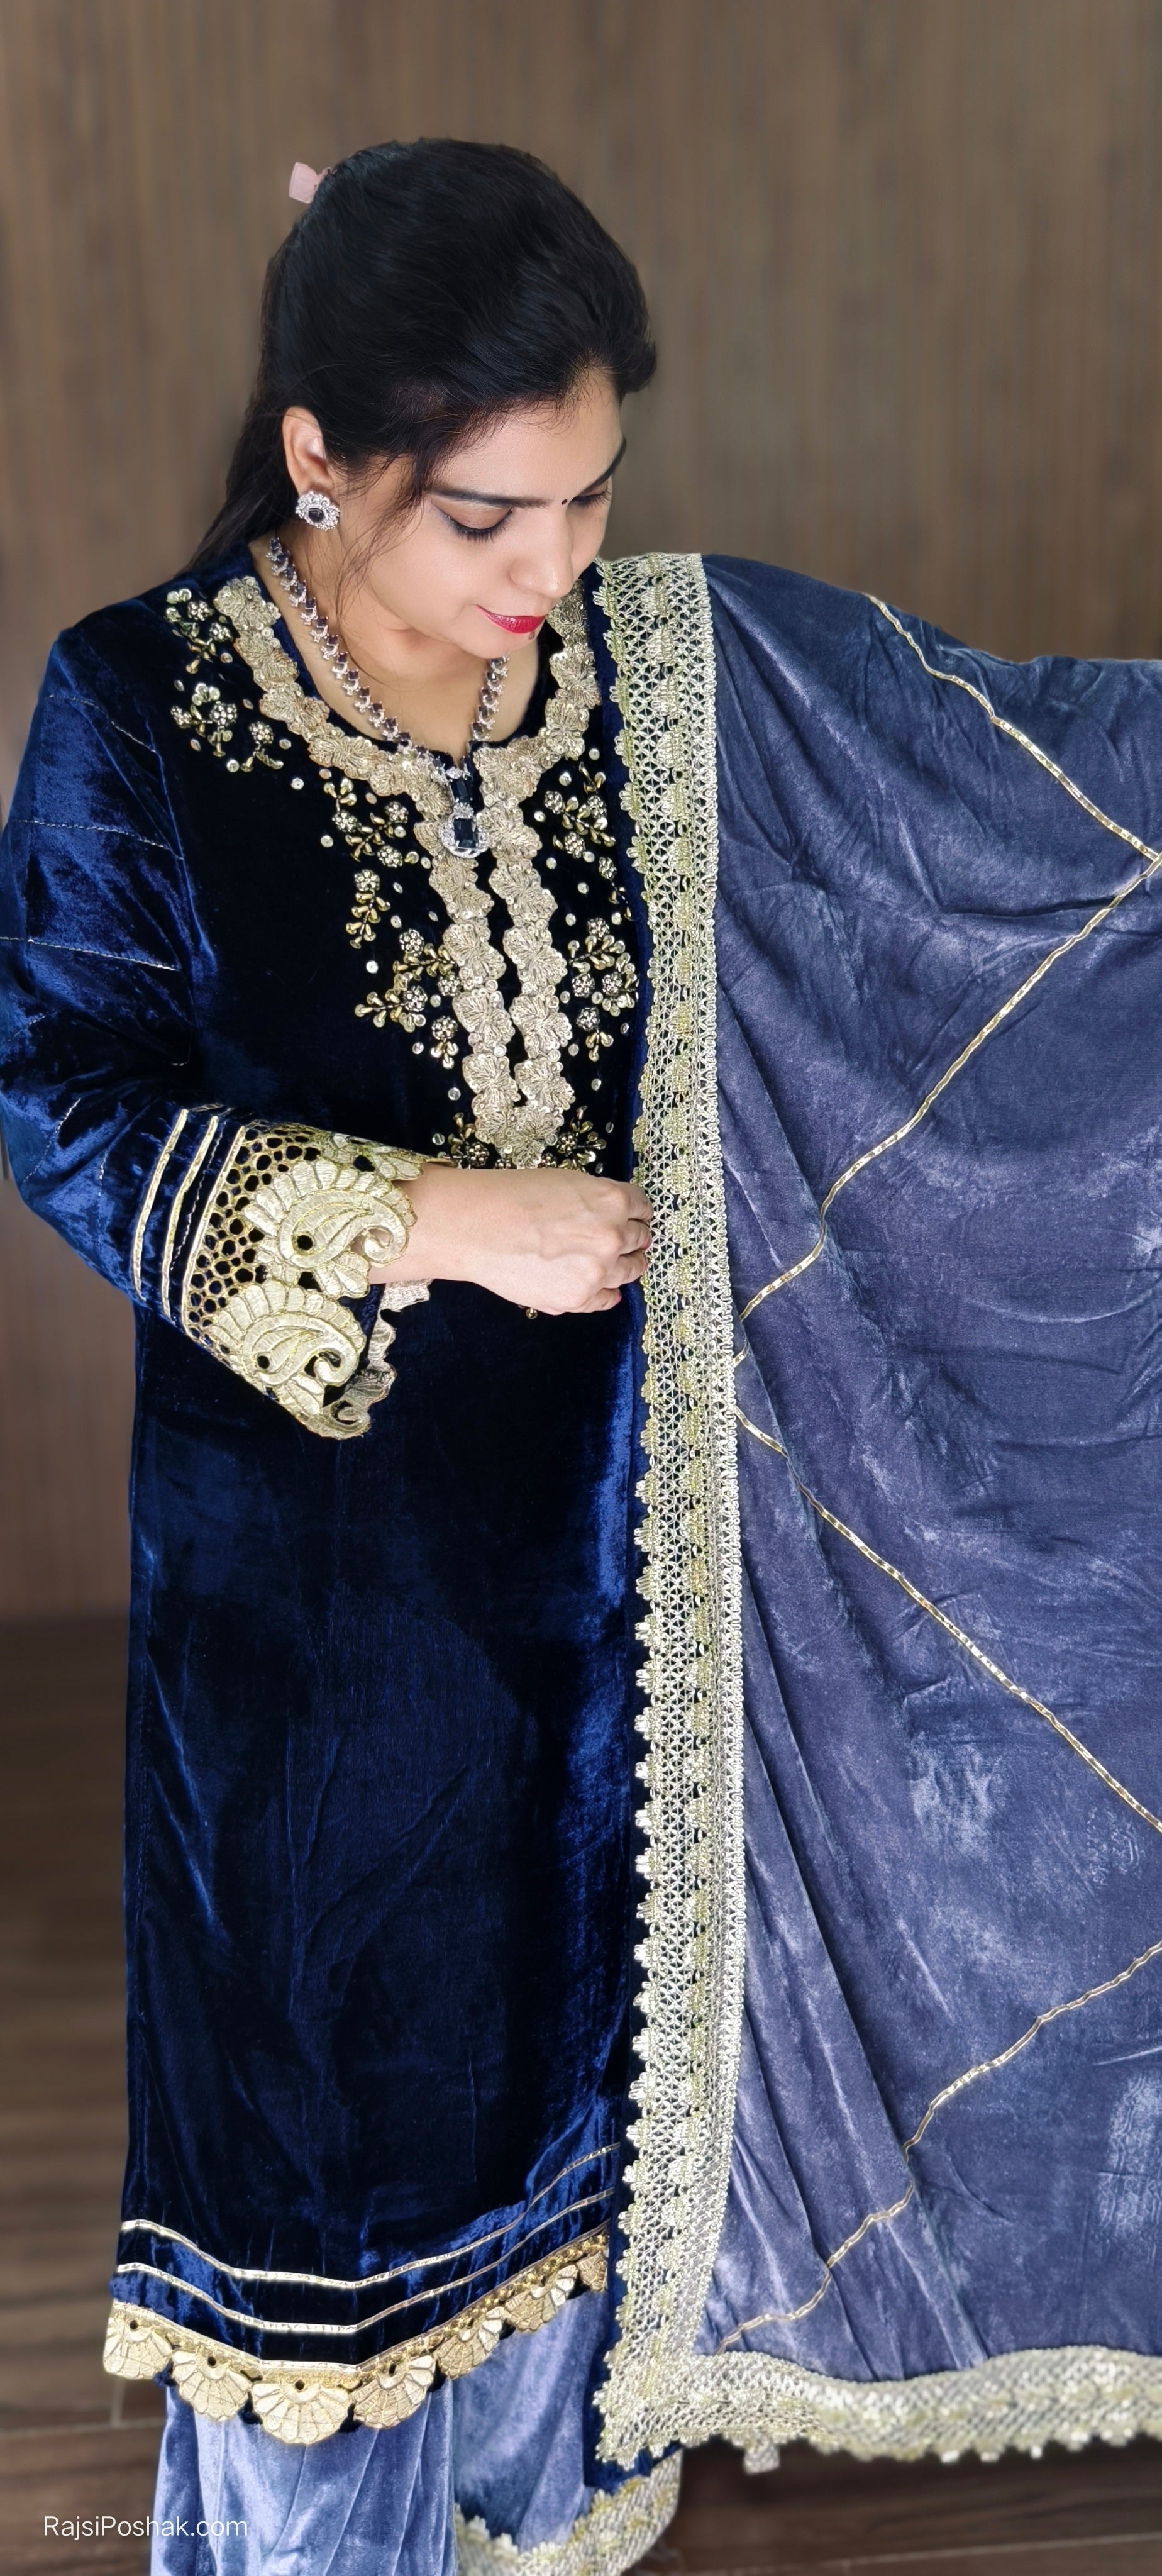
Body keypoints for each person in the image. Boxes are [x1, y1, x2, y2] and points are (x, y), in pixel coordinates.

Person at [1, 137, 1159, 2576]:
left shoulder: (660, 677)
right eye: (486, 517)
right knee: (335, 2147)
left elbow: (1004, 785)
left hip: (631, 1582)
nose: (551, 569)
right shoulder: (145, 703)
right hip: (314, 1616)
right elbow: (66, 1099)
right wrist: (446, 1219)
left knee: (585, 2109)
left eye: (593, 496)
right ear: (319, 460)